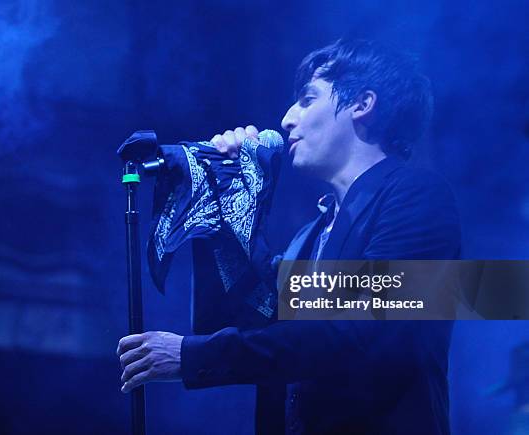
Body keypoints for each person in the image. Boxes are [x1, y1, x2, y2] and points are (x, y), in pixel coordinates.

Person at [117, 39, 462, 434]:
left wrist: (190, 357)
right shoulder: (308, 238)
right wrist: (230, 199)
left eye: (307, 99)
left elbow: (361, 332)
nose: (286, 119)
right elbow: (242, 322)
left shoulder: (417, 197)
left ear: (362, 104)